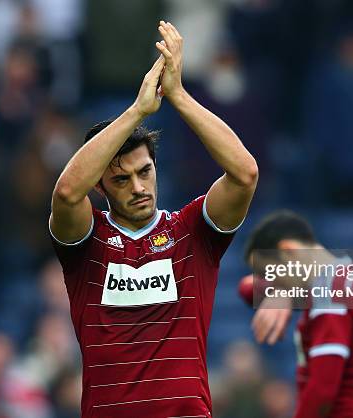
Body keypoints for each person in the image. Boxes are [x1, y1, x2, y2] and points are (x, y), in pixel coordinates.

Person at [49, 21, 258, 417]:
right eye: (121, 179)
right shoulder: (85, 242)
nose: (138, 186)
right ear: (101, 187)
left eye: (145, 172)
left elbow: (245, 173)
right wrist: (137, 111)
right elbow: (65, 192)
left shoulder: (190, 232)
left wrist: (178, 96)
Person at [238, 211, 353, 418]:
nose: (271, 281)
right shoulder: (345, 277)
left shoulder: (331, 292)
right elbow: (245, 288)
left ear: (288, 252)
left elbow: (322, 392)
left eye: (268, 271)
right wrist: (281, 291)